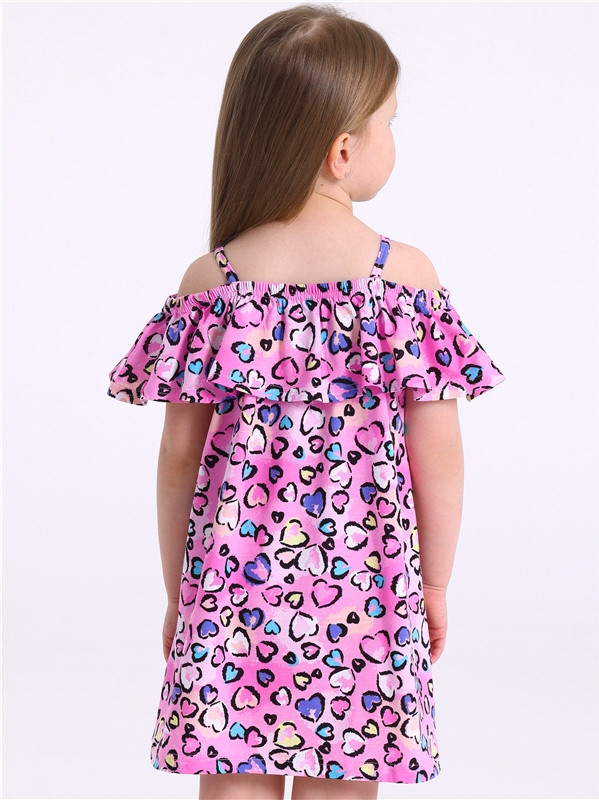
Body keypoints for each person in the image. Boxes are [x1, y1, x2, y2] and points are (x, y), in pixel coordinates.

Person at [106, 4, 505, 799]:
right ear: (343, 149)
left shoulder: (214, 282)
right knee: (345, 775)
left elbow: (179, 458)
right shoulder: (401, 280)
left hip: (231, 583)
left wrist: (180, 593)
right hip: (365, 582)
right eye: (391, 121)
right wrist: (432, 583)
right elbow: (438, 456)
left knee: (233, 772)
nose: (394, 137)